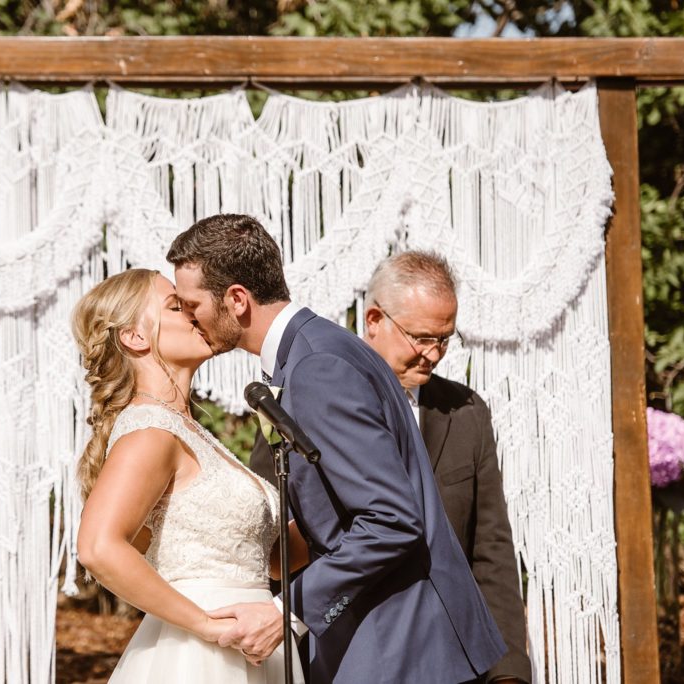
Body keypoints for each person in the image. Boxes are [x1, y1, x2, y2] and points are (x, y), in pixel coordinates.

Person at [168, 214, 506, 683]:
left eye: (191, 304)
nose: (187, 317)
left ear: (237, 299)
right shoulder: (318, 348)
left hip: (399, 647)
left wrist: (287, 610)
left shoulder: (317, 368)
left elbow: (390, 521)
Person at [251, 251, 532, 683]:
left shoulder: (466, 412)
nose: (433, 354)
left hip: (452, 657)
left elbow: (490, 547)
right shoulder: (293, 406)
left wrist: (509, 670)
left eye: (444, 339)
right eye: (420, 337)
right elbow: (272, 540)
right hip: (348, 653)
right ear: (374, 320)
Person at [71, 268, 304, 683]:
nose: (196, 314)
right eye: (176, 306)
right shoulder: (150, 430)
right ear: (134, 337)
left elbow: (266, 559)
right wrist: (207, 626)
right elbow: (97, 546)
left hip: (256, 641)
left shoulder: (191, 432)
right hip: (202, 657)